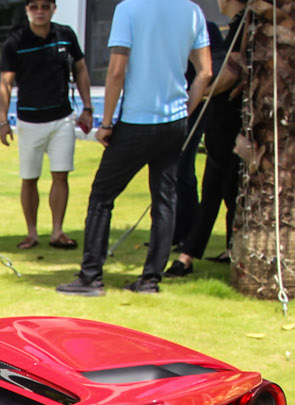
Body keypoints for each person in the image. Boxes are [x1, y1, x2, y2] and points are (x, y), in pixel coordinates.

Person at [56, 0, 211, 296]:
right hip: (175, 122)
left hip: (137, 121)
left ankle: (91, 278)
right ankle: (150, 280)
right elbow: (205, 73)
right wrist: (185, 112)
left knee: (102, 195)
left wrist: (106, 123)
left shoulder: (129, 8)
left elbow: (116, 70)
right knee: (164, 201)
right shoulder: (192, 11)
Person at [0, 0, 93, 250]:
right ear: (27, 10)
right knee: (29, 178)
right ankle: (31, 233)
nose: (40, 11)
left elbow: (80, 69)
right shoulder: (15, 41)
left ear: (53, 9)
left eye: (45, 6)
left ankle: (58, 232)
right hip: (30, 120)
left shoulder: (65, 35)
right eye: (34, 6)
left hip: (62, 118)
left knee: (61, 176)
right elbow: (6, 82)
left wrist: (88, 108)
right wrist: (3, 120)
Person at [168, 0, 246, 277]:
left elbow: (234, 69)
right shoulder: (237, 24)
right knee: (225, 187)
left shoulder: (244, 23)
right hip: (221, 116)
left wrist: (203, 90)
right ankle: (226, 247)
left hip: (229, 119)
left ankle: (188, 256)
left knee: (216, 185)